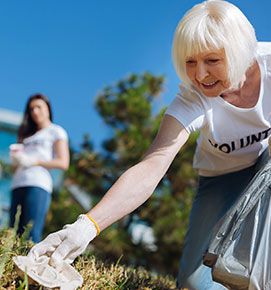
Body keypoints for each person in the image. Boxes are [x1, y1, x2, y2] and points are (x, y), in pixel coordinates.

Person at [28, 1, 271, 289]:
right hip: (220, 177)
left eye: (213, 61)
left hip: (265, 166)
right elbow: (151, 167)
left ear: (238, 50)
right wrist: (85, 227)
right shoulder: (193, 99)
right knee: (195, 284)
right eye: (190, 62)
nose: (200, 75)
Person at [9, 93, 69, 243]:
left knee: (30, 232)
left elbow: (63, 162)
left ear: (48, 108)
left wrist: (35, 162)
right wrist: (16, 160)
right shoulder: (25, 136)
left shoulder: (56, 131)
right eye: (31, 109)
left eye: (38, 107)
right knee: (13, 232)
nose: (35, 112)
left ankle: (30, 266)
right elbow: (14, 168)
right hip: (18, 184)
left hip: (38, 184)